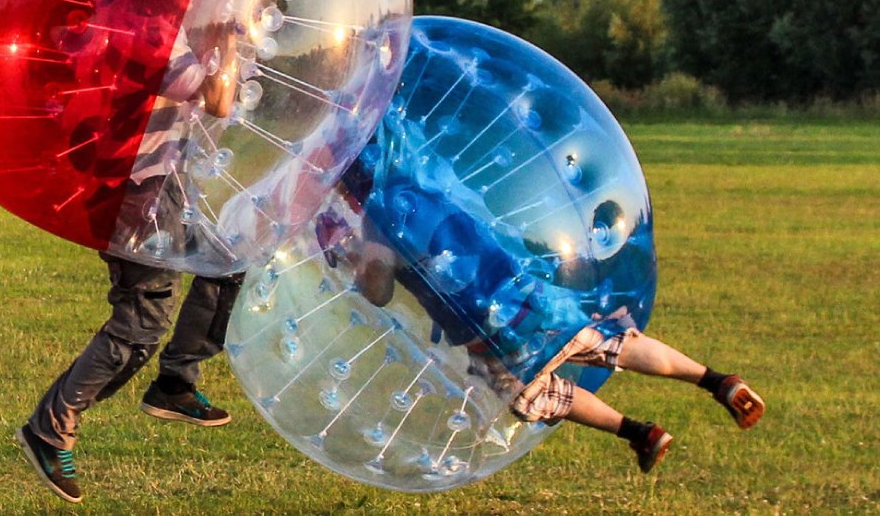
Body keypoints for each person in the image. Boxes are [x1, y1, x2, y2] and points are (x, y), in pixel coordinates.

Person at [15, 0, 243, 504]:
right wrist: (228, 44)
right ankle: (50, 427)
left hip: (158, 187)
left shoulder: (156, 27)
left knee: (229, 265)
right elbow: (218, 100)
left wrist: (212, 37)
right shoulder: (143, 35)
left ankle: (175, 381)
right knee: (140, 324)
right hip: (131, 195)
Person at [324, 183, 765, 475]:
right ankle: (718, 382)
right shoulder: (421, 183)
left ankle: (638, 432)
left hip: (490, 332)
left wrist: (350, 255)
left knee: (536, 395)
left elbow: (379, 289)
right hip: (528, 297)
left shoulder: (382, 213)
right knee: (615, 345)